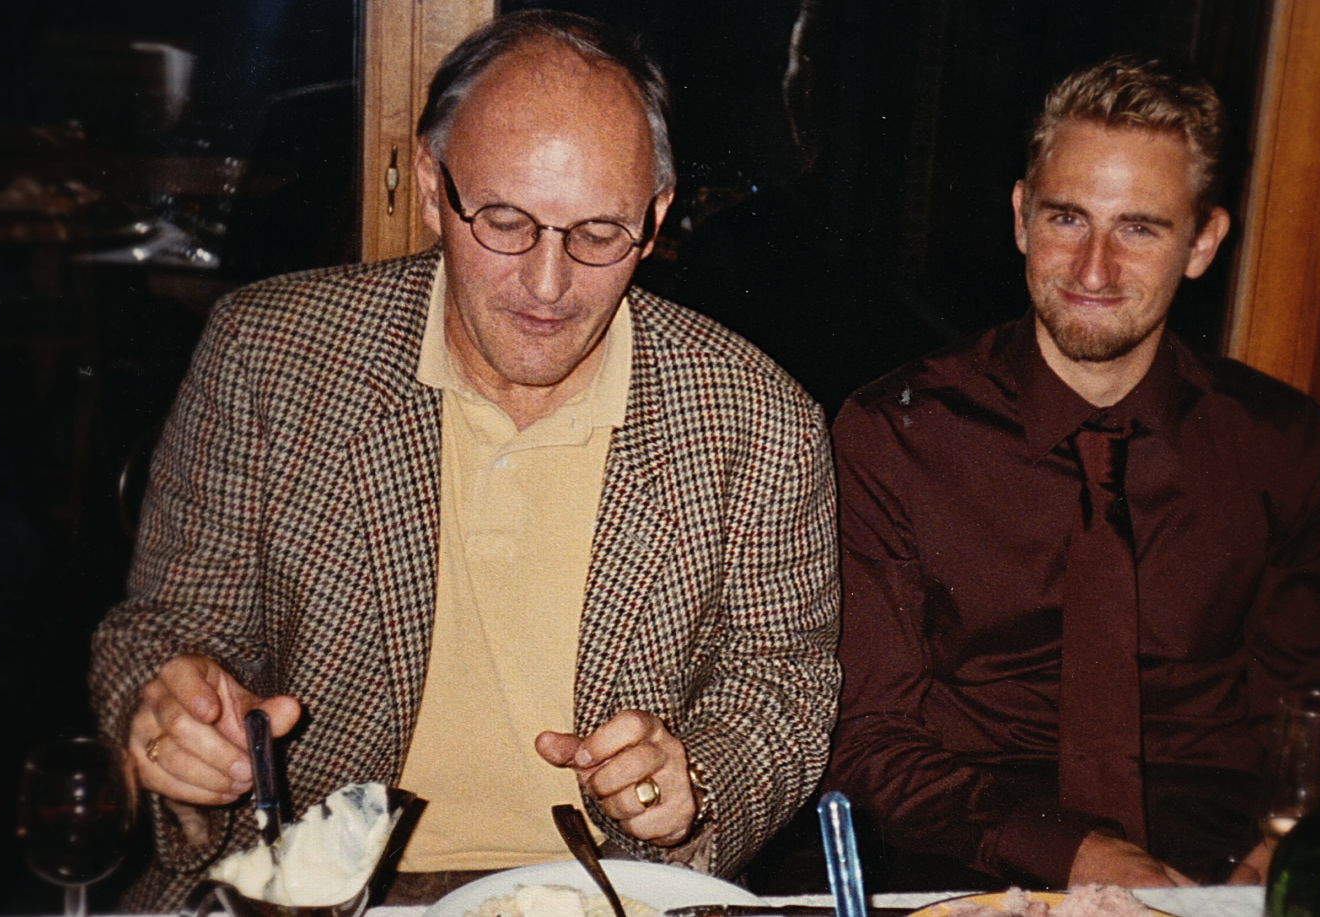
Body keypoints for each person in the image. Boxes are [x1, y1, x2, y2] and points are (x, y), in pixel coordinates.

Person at [89, 11, 840, 910]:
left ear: (659, 214)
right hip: (305, 886)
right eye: (507, 222)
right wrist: (174, 714)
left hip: (613, 893)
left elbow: (784, 684)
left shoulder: (760, 418)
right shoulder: (269, 357)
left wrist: (699, 777)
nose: (550, 285)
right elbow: (160, 631)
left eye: (601, 233)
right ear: (435, 182)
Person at [825, 55, 1320, 890]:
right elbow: (867, 741)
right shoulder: (896, 435)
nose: (1093, 269)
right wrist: (1084, 858)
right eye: (1067, 219)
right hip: (978, 864)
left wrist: (1268, 867)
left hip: (1220, 874)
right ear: (1019, 217)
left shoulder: (1282, 448)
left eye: (1140, 228)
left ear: (1204, 243)